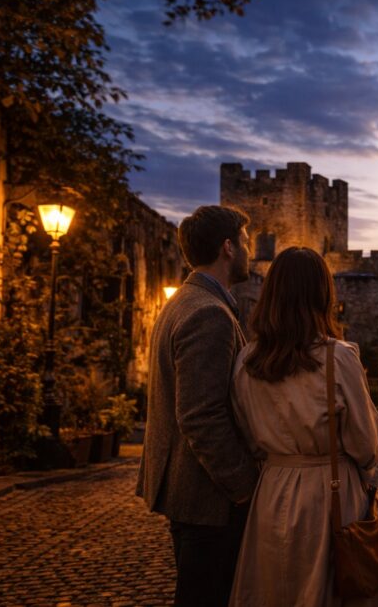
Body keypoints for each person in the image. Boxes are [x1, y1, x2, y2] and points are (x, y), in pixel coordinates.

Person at [228, 247, 378, 607]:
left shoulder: (246, 361)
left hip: (272, 491)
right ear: (323, 295)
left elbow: (247, 436)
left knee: (275, 587)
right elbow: (365, 445)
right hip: (330, 493)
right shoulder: (339, 357)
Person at [136, 205, 258, 606]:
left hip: (190, 493)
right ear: (227, 247)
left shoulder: (184, 302)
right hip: (208, 499)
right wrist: (244, 487)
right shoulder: (209, 313)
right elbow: (200, 415)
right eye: (245, 241)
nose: (250, 251)